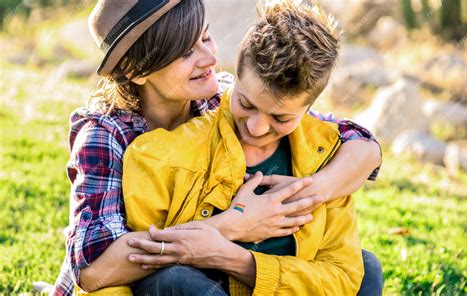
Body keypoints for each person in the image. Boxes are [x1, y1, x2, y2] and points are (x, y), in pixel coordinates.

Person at [52, 0, 382, 295]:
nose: (210, 58)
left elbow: (359, 145)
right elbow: (93, 271)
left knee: (363, 266)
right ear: (136, 70)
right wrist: (232, 224)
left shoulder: (221, 96)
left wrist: (310, 191)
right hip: (140, 283)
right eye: (185, 53)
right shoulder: (105, 135)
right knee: (175, 280)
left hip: (213, 272)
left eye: (206, 38)